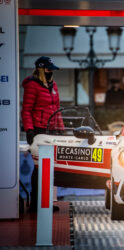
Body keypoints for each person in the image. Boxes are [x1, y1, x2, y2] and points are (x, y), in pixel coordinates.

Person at [21, 56, 64, 212]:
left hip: (51, 131)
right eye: (48, 68)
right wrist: (30, 130)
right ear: (41, 69)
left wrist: (62, 130)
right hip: (39, 130)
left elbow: (57, 110)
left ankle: (45, 203)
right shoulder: (32, 85)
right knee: (39, 167)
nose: (51, 71)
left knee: (49, 167)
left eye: (52, 68)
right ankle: (35, 204)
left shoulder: (54, 85)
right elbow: (26, 110)